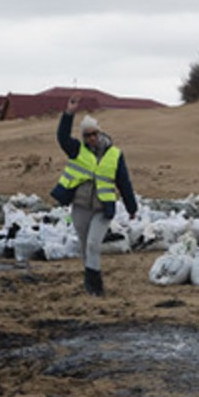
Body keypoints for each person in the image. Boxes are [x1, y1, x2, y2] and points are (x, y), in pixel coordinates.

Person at [49, 94, 138, 296]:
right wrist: (69, 113)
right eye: (87, 135)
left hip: (102, 209)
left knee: (93, 244)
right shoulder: (77, 150)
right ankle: (90, 287)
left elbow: (124, 182)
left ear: (100, 133)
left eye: (94, 134)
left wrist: (132, 208)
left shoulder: (114, 154)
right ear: (83, 137)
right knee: (84, 247)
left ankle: (96, 288)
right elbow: (62, 137)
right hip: (80, 207)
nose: (92, 138)